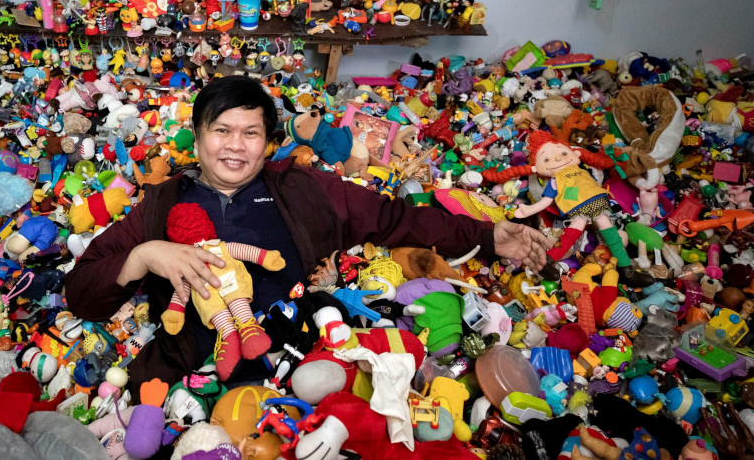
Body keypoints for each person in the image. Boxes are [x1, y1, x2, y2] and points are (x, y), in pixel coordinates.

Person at [65, 75, 551, 399]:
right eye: (222, 130)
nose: (235, 146)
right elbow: (83, 292)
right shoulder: (164, 201)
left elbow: (395, 217)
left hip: (301, 362)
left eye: (251, 133)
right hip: (185, 369)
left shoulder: (303, 188)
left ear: (270, 142)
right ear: (196, 135)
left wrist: (488, 238)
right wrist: (147, 255)